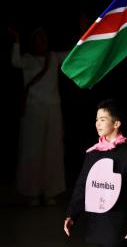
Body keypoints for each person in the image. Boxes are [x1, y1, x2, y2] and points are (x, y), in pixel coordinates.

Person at [64, 99, 127, 247]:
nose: (98, 124)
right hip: (95, 224)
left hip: (118, 226)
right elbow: (83, 186)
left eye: (103, 120)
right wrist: (72, 214)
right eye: (97, 119)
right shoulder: (93, 153)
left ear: (116, 124)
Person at [9, 25, 67, 206]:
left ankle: (50, 192)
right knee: (32, 150)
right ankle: (32, 193)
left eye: (43, 38)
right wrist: (17, 40)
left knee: (53, 151)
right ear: (33, 42)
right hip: (33, 108)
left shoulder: (54, 58)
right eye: (37, 38)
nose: (41, 41)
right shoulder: (28, 59)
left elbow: (75, 53)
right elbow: (15, 61)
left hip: (53, 107)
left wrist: (83, 32)